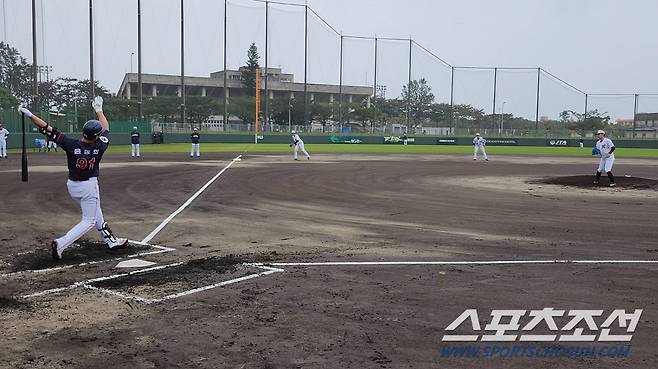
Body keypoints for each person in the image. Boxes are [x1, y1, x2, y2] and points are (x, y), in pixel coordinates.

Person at [19, 97, 128, 260]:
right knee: (89, 221)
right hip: (89, 187)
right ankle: (61, 243)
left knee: (97, 214)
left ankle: (111, 241)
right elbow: (105, 127)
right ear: (96, 136)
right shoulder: (101, 146)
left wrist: (29, 115)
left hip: (73, 186)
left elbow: (47, 128)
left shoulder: (71, 144)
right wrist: (99, 109)